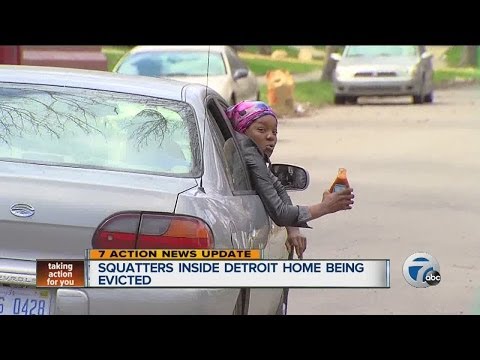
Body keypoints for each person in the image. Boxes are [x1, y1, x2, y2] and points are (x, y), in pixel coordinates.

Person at [225, 100, 354, 259]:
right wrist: (324, 207)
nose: (270, 137)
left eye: (275, 132)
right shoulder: (248, 153)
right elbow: (280, 212)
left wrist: (292, 228)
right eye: (261, 129)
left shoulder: (248, 153)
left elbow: (279, 188)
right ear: (242, 130)